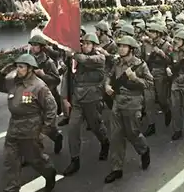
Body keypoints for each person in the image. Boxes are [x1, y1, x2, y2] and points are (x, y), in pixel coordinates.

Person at [0, 54, 58, 192]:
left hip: (31, 129)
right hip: (14, 127)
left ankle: (49, 172)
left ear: (30, 69)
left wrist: (44, 131)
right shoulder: (13, 82)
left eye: (22, 67)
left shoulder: (39, 86)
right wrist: (2, 72)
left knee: (35, 159)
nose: (18, 70)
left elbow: (51, 108)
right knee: (10, 162)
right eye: (17, 66)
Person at [104, 35, 153, 183]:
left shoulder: (140, 65)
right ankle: (116, 168)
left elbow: (149, 83)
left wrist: (134, 78)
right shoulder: (117, 63)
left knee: (133, 133)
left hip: (133, 102)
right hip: (118, 102)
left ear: (131, 49)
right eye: (120, 46)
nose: (121, 48)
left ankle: (144, 150)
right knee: (116, 135)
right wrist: (107, 85)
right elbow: (109, 75)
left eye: (124, 46)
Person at [61, 33, 110, 176]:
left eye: (89, 43)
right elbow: (68, 75)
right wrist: (65, 97)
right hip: (78, 99)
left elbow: (86, 60)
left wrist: (73, 54)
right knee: (73, 128)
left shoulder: (99, 58)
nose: (85, 45)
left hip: (92, 98)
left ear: (94, 45)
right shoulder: (76, 59)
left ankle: (105, 142)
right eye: (84, 43)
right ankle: (74, 159)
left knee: (96, 125)